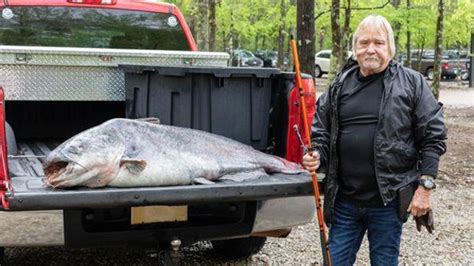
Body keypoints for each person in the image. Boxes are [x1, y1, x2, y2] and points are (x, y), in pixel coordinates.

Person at [302, 15, 447, 265]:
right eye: (364, 42)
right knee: (333, 261)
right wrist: (317, 154)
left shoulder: (412, 83)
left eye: (378, 43)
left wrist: (425, 188)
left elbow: (433, 135)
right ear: (355, 48)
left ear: (390, 48)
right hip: (345, 201)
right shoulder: (339, 85)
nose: (371, 49)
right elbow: (321, 130)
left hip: (388, 202)